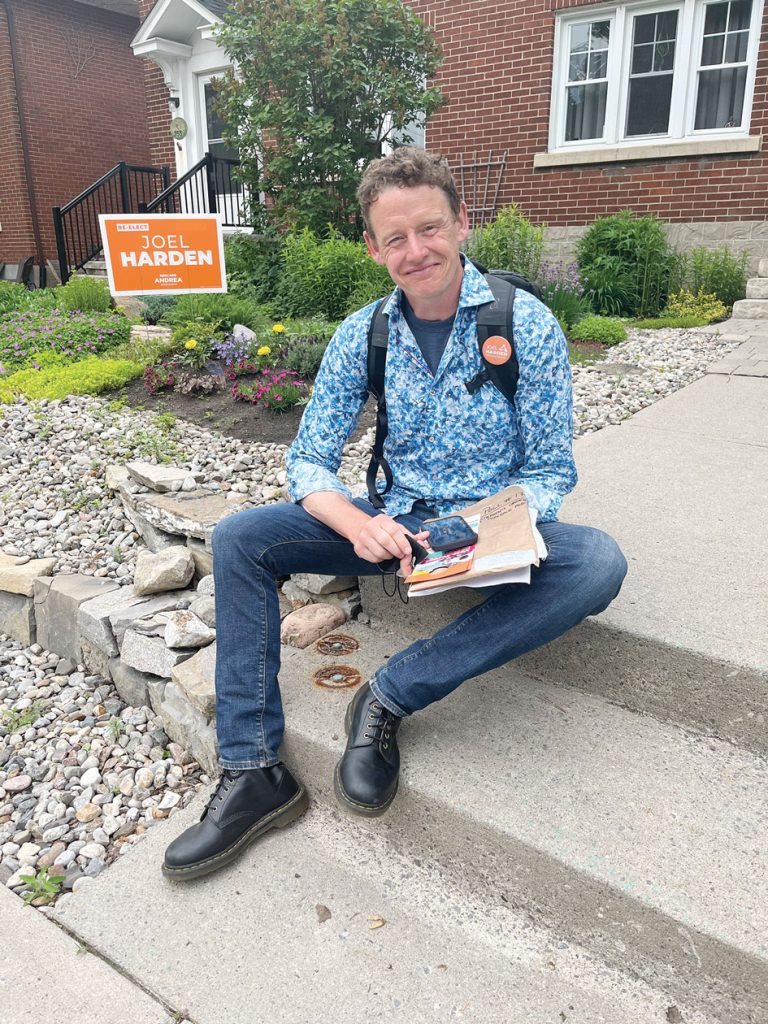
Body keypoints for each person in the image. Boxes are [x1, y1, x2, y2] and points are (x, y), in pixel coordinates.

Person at [162, 147, 627, 880]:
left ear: (463, 223)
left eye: (431, 229)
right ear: (374, 250)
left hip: (485, 528)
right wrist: (358, 523)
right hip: (389, 526)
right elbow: (308, 464)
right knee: (240, 537)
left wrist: (475, 527)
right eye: (396, 239)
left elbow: (548, 473)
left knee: (597, 562)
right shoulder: (363, 333)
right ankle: (254, 772)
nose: (418, 251)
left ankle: (387, 696)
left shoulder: (524, 324)